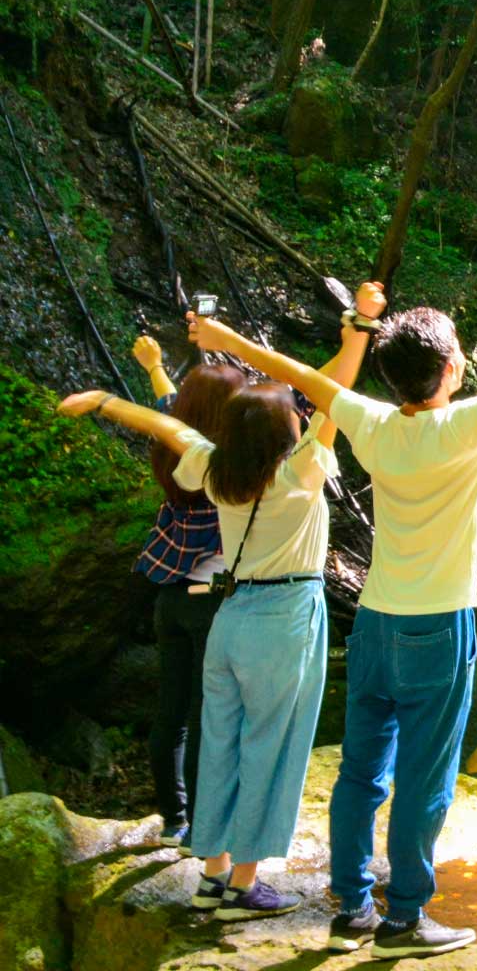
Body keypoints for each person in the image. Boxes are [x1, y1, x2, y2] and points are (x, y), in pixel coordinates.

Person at [190, 287, 477, 959]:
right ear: (452, 370)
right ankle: (403, 923)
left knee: (362, 772)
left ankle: (351, 906)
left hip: (373, 623)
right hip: (438, 627)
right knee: (424, 780)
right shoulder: (466, 426)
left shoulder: (371, 424)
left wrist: (225, 335)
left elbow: (294, 372)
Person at [58, 282, 387, 922]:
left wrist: (103, 402)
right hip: (286, 622)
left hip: (231, 620)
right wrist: (358, 333)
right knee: (272, 748)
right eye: (295, 418)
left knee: (223, 745)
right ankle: (243, 886)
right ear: (286, 435)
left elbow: (166, 423)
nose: (302, 417)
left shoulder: (216, 467)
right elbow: (332, 396)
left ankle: (209, 875)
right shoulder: (300, 472)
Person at [129, 337, 244, 851]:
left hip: (169, 595)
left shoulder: (170, 444)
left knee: (168, 714)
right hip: (210, 597)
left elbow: (165, 409)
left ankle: (174, 819)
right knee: (206, 717)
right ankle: (201, 827)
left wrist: (154, 366)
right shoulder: (226, 463)